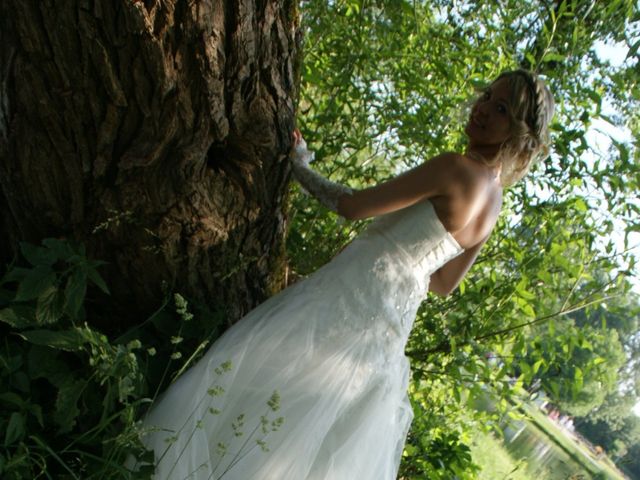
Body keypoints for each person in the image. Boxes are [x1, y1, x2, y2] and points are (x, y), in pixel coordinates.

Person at [136, 69, 554, 479]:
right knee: (304, 419)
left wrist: (299, 165)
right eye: (486, 96)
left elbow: (353, 206)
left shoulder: (455, 168)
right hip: (392, 321)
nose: (482, 109)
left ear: (517, 134)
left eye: (499, 108)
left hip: (352, 292)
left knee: (266, 382)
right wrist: (402, 263)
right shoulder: (495, 203)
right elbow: (443, 284)